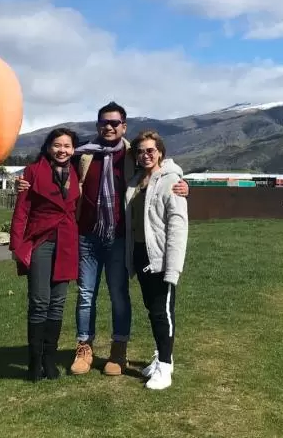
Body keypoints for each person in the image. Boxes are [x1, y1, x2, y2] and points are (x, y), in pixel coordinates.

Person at [15, 101, 189, 376]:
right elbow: (50, 162)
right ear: (97, 125)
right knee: (86, 295)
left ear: (124, 126)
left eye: (115, 123)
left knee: (119, 296)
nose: (109, 127)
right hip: (86, 236)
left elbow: (161, 165)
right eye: (104, 122)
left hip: (119, 237)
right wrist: (22, 180)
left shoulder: (133, 154)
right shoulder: (83, 153)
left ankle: (118, 350)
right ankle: (84, 347)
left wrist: (182, 180)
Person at [9, 127, 81, 382]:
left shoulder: (76, 172)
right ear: (48, 147)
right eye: (57, 145)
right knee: (39, 302)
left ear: (74, 150)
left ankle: (50, 360)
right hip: (41, 241)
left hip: (67, 242)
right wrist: (17, 246)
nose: (62, 150)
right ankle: (34, 362)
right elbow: (21, 211)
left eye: (67, 146)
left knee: (58, 302)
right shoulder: (32, 172)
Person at [124, 130, 188, 390]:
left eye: (150, 150)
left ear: (160, 151)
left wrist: (173, 267)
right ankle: (162, 358)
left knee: (163, 312)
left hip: (161, 256)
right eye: (140, 151)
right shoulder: (136, 181)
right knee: (153, 309)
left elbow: (178, 224)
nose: (146, 154)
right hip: (141, 253)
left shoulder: (172, 181)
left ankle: (165, 366)